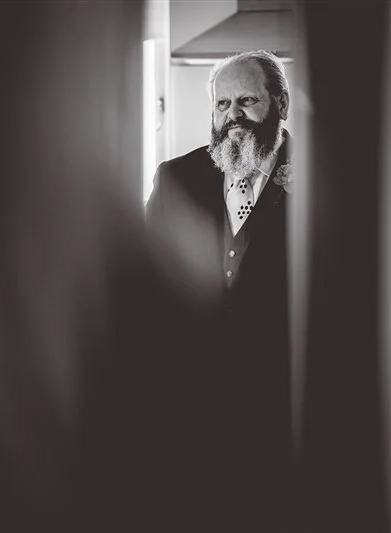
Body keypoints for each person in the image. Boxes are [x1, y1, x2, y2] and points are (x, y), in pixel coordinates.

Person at [145, 50, 294, 531]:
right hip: (190, 415)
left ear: (281, 104)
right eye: (222, 103)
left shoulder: (325, 183)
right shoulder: (176, 179)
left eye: (247, 100)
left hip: (284, 414)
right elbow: (147, 285)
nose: (233, 116)